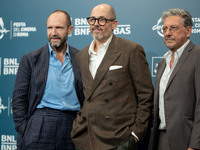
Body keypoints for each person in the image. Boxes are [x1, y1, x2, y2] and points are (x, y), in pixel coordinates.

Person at [71, 3, 154, 150]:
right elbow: (84, 95)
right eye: (92, 20)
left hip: (119, 139)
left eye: (102, 20)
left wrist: (135, 134)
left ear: (114, 24)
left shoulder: (131, 50)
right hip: (85, 138)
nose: (96, 24)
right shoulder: (81, 56)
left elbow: (146, 95)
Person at [12, 10, 84, 150]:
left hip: (73, 125)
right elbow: (18, 99)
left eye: (59, 28)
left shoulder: (82, 58)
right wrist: (25, 129)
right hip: (40, 124)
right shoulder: (30, 59)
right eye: (50, 28)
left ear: (70, 30)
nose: (54, 32)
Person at [149, 8, 200, 150]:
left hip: (187, 140)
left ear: (188, 31)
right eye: (164, 29)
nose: (167, 33)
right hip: (160, 139)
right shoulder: (162, 63)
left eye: (173, 28)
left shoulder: (197, 55)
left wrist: (195, 145)